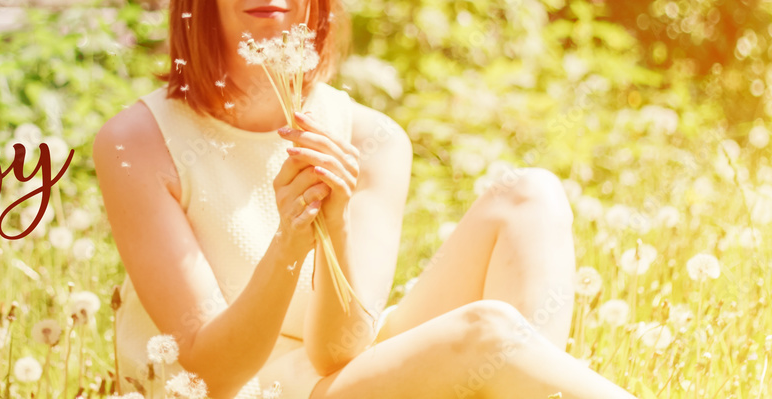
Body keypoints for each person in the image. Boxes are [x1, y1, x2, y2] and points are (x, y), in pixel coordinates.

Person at [92, 0, 638, 398]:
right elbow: (210, 375)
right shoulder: (137, 143)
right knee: (486, 333)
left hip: (338, 375)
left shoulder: (368, 138)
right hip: (256, 392)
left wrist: (339, 222)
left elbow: (340, 352)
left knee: (530, 195)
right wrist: (288, 244)